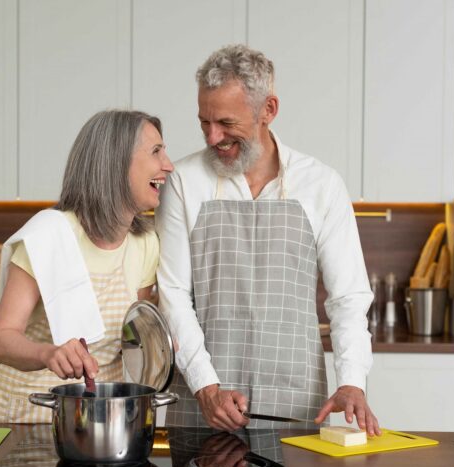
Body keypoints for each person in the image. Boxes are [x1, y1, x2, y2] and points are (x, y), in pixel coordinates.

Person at [156, 44, 381, 435]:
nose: (213, 137)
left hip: (295, 403)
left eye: (226, 122)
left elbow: (348, 298)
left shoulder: (321, 185)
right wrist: (206, 386)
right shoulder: (183, 182)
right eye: (204, 122)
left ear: (269, 110)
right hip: (203, 402)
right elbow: (173, 293)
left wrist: (352, 380)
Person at [0, 109, 174, 423]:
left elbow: (131, 333)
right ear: (116, 162)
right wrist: (48, 353)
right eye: (156, 152)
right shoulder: (48, 234)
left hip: (99, 413)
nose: (168, 164)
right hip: (30, 412)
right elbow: (0, 340)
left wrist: (160, 339)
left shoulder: (145, 243)